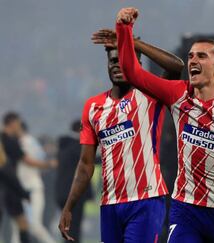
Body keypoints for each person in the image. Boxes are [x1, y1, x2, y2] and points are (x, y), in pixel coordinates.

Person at [115, 7, 214, 242]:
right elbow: (132, 72)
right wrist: (124, 28)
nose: (193, 60)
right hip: (186, 210)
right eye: (191, 55)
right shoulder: (178, 94)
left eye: (202, 56)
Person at [58, 32, 184, 242]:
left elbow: (176, 67)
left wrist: (133, 43)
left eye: (124, 60)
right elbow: (85, 164)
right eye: (113, 61)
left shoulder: (150, 94)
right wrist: (69, 206)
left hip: (147, 199)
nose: (117, 65)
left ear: (136, 63)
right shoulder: (93, 107)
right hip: (110, 204)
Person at [14, 121, 56, 243]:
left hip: (31, 189)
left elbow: (31, 160)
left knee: (33, 226)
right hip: (25, 189)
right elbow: (42, 158)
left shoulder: (25, 142)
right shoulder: (31, 142)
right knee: (21, 226)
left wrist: (46, 165)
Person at [55, 120, 93, 243]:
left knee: (67, 227)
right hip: (74, 194)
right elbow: (90, 160)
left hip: (61, 193)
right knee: (74, 228)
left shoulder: (64, 146)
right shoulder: (78, 147)